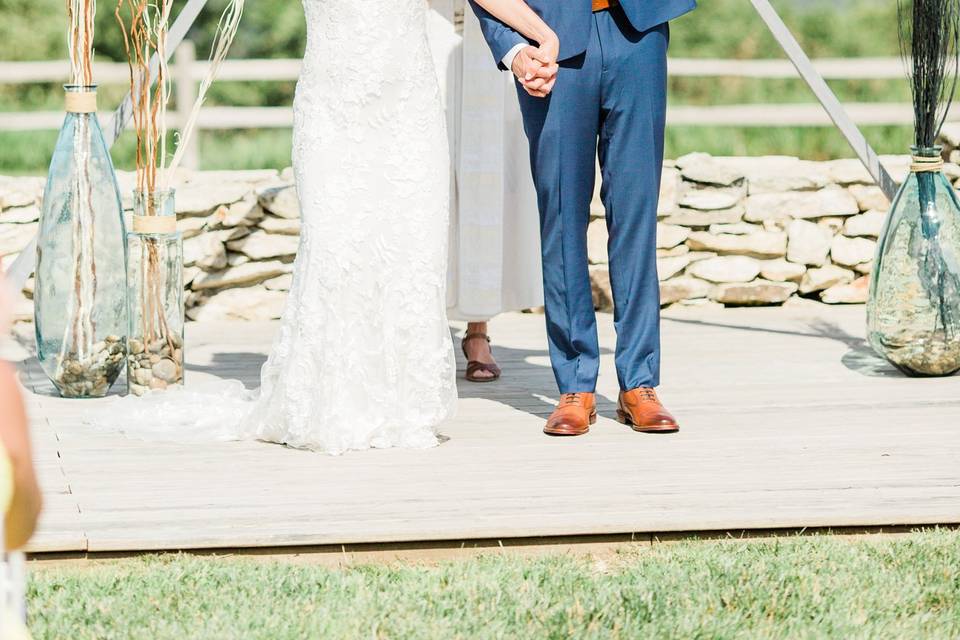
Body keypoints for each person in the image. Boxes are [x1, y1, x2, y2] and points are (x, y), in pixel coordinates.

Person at [97, 0, 561, 455]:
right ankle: (329, 401)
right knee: (335, 251)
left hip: (409, 116)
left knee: (411, 250)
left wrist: (540, 32)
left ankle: (403, 405)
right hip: (333, 117)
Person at [468, 0, 695, 436]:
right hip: (550, 42)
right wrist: (513, 49)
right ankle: (575, 385)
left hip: (638, 31)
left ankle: (640, 383)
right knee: (560, 216)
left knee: (636, 213)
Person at [426, 0, 544, 383]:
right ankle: (421, 331)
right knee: (426, 181)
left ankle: (478, 331)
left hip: (496, 38)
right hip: (427, 33)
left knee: (490, 180)